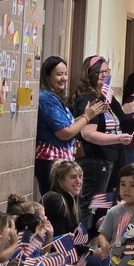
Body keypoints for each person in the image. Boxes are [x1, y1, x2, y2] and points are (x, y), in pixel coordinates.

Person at [71, 56, 134, 229]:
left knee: (102, 207)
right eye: (99, 72)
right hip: (94, 160)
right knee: (89, 206)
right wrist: (118, 138)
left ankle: (97, 246)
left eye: (106, 72)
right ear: (90, 73)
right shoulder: (89, 99)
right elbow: (88, 133)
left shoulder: (105, 97)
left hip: (108, 161)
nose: (103, 75)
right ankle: (81, 246)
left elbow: (122, 120)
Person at [34, 56, 104, 195]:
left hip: (59, 161)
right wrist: (87, 116)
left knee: (67, 204)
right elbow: (64, 132)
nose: (64, 78)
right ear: (47, 76)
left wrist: (89, 114)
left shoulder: (53, 96)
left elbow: (67, 124)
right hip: (51, 161)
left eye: (66, 74)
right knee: (58, 205)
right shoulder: (47, 99)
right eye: (59, 74)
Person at [41, 160, 108, 266]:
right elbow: (61, 241)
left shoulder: (72, 199)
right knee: (98, 261)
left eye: (80, 177)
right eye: (73, 177)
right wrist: (92, 252)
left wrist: (97, 228)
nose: (78, 181)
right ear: (60, 180)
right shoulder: (56, 200)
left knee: (105, 254)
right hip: (54, 255)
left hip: (68, 253)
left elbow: (78, 237)